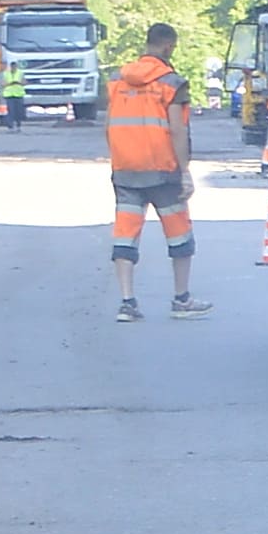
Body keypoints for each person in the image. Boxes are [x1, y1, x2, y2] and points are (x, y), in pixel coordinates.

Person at [102, 25, 206, 322]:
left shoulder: (118, 81)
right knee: (178, 233)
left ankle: (127, 302)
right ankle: (181, 299)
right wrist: (185, 171)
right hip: (163, 170)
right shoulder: (171, 83)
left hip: (125, 170)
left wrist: (119, 156)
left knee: (125, 233)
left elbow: (109, 126)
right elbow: (177, 129)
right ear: (168, 47)